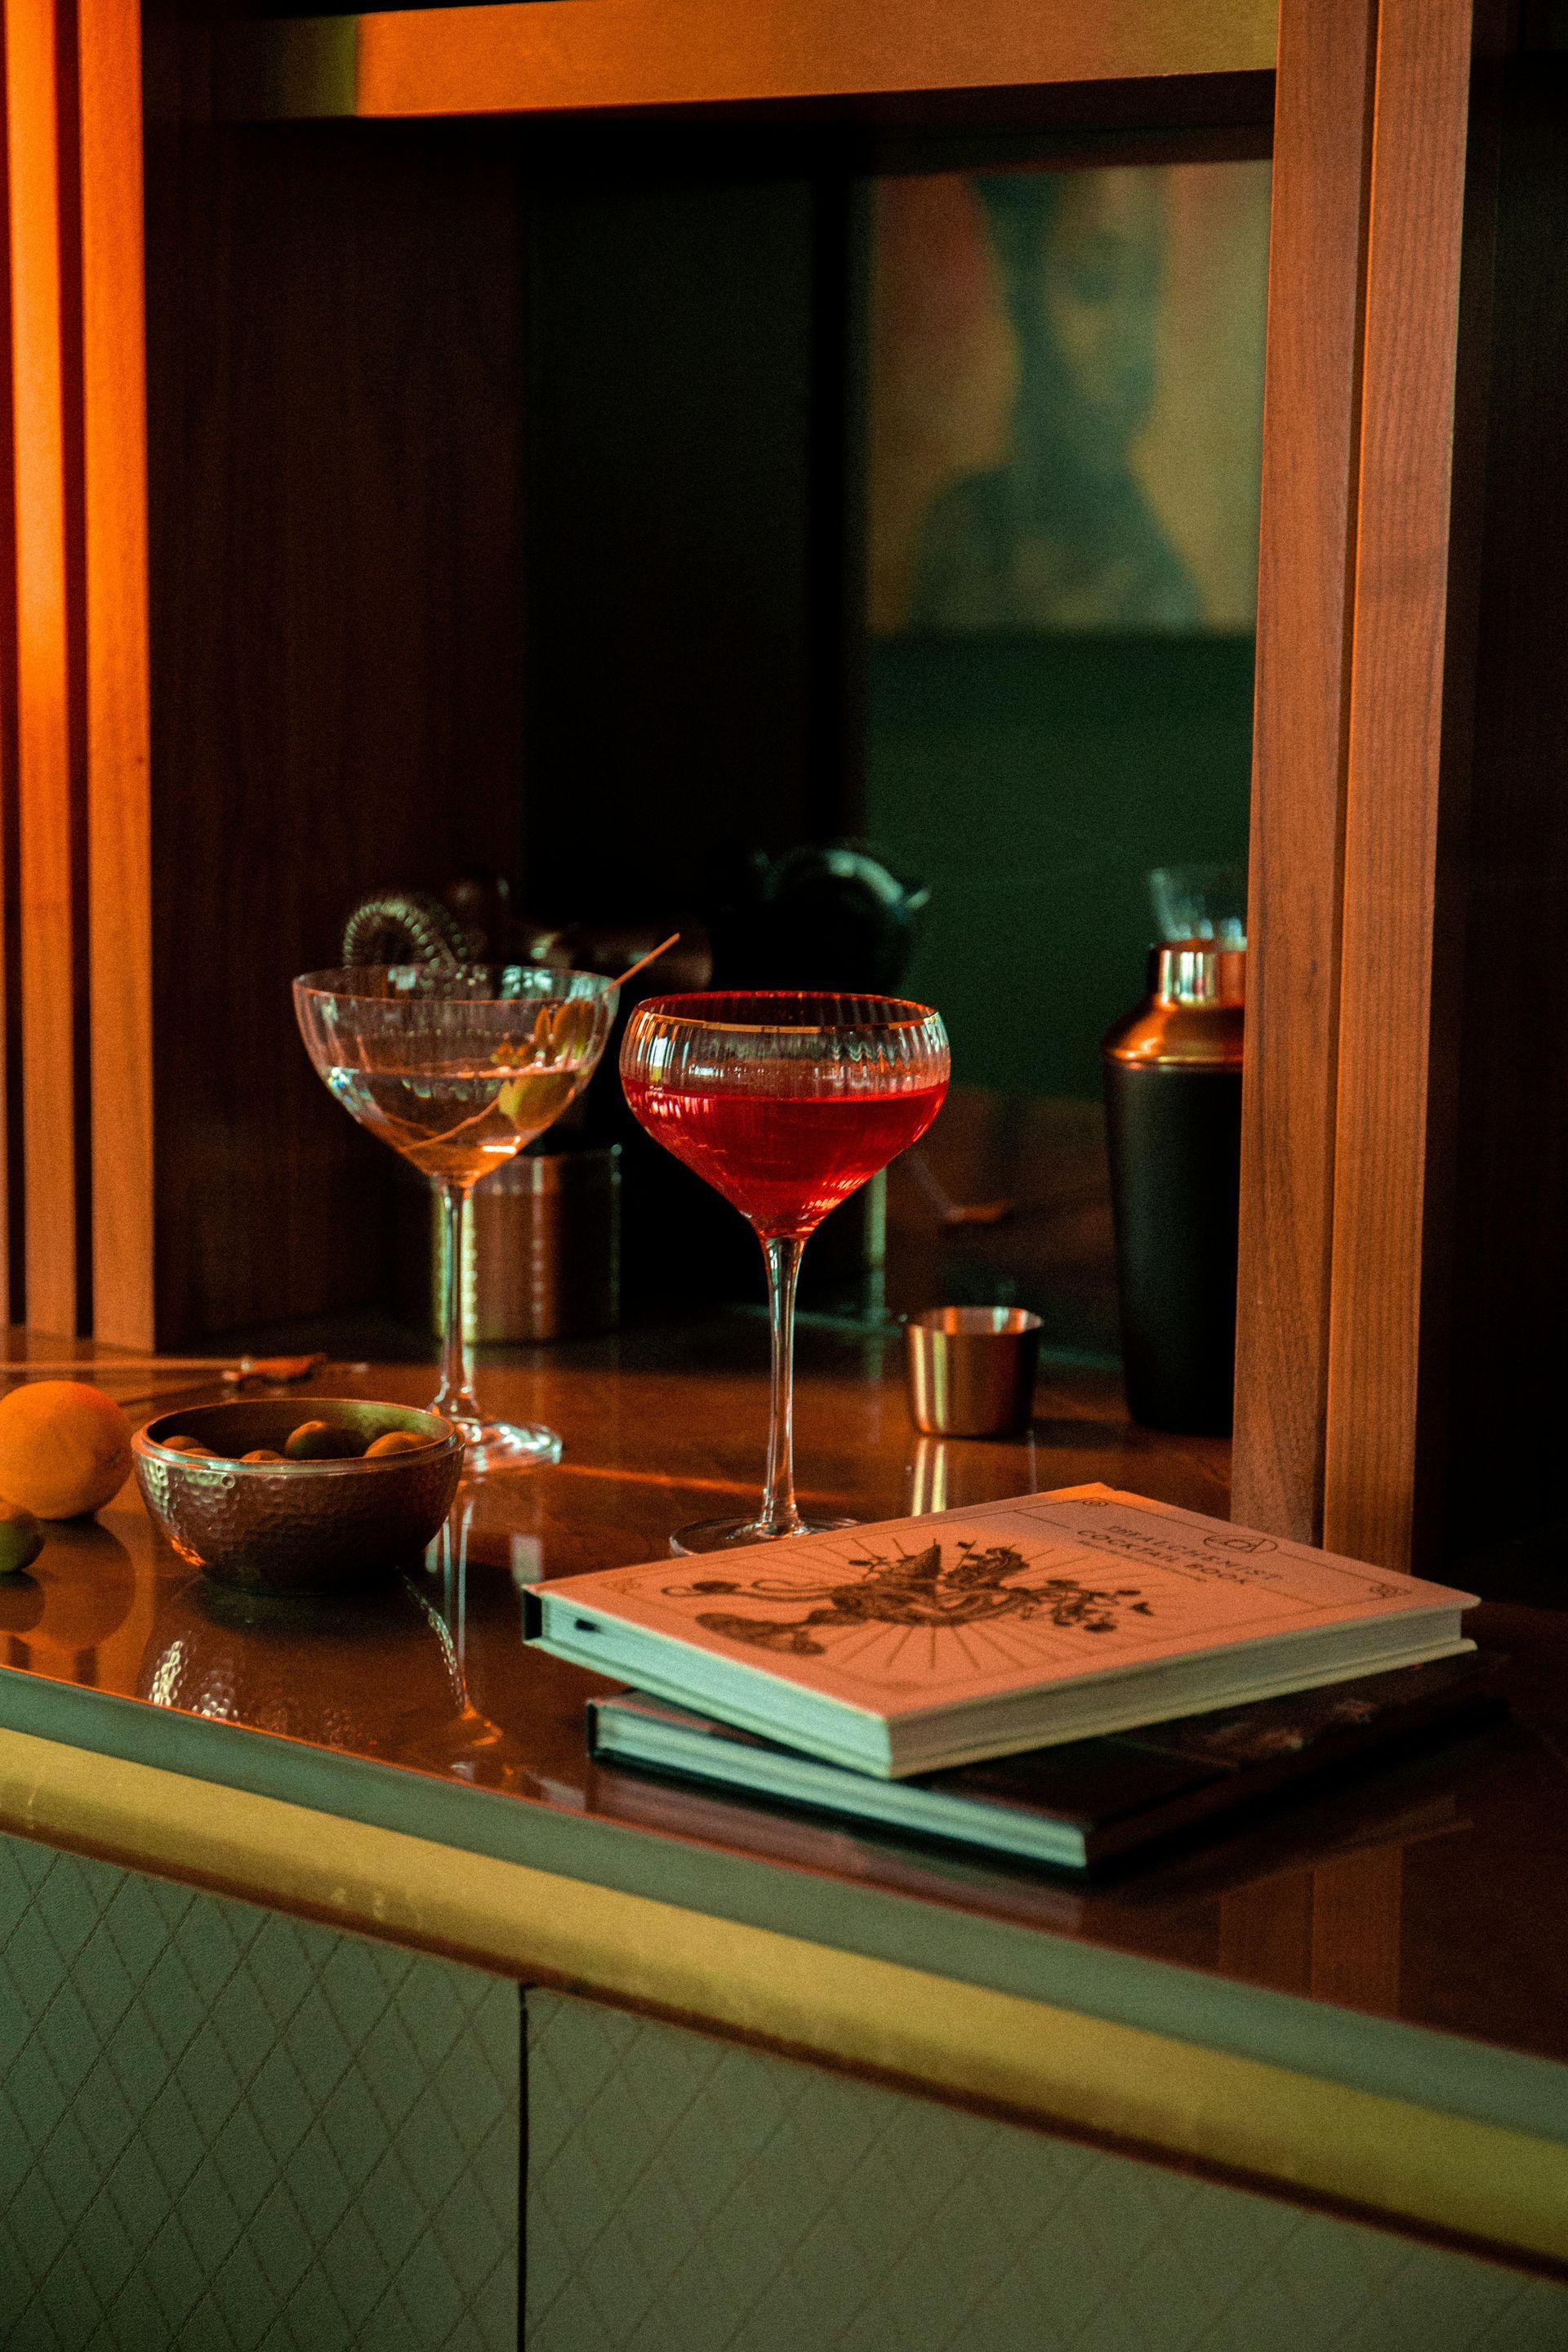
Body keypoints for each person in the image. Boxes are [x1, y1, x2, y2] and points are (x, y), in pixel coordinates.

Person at [911, 167, 1201, 632]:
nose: (1133, 348)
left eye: (1147, 288)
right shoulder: (957, 539)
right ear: (1018, 275)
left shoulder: (1156, 596)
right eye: (1096, 283)